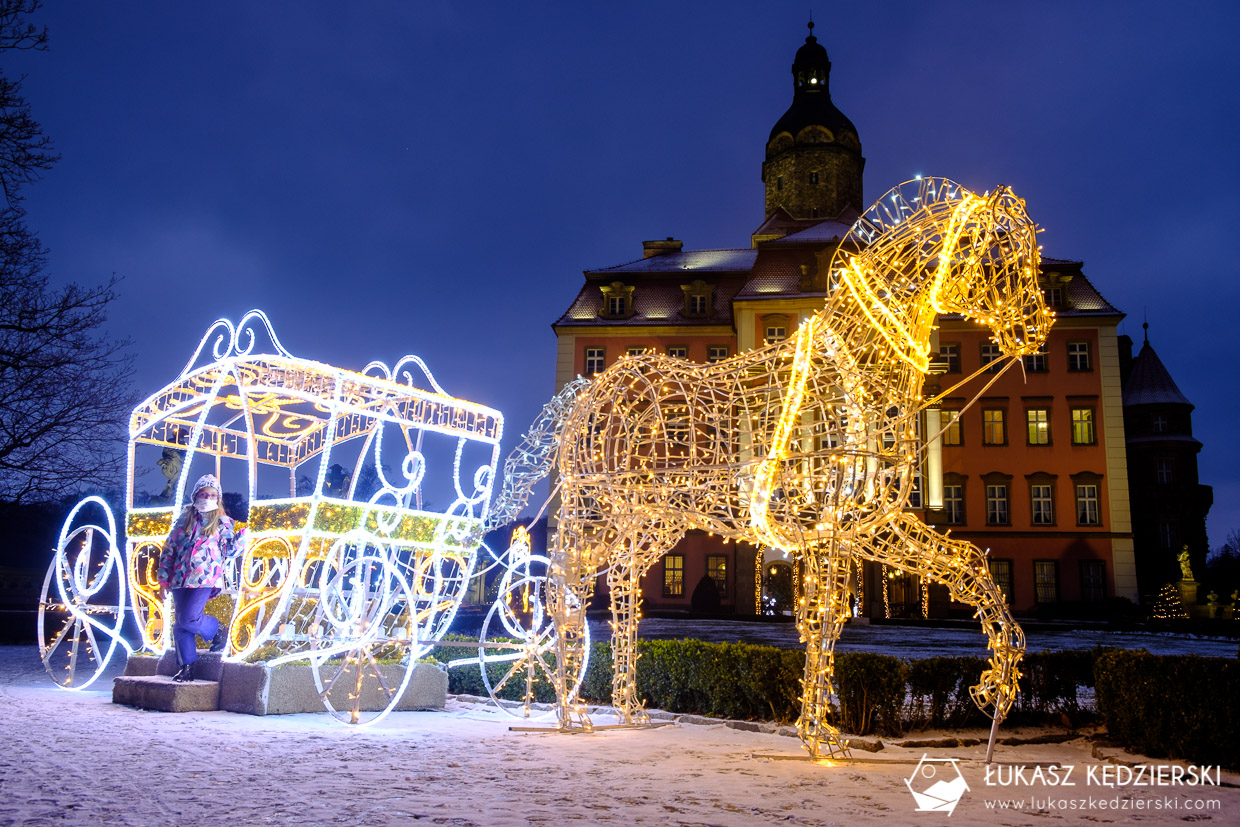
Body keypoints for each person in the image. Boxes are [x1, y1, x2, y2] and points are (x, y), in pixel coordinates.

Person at [156, 473, 246, 682]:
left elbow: (230, 551)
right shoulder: (183, 520)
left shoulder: (223, 523)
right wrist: (163, 579)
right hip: (179, 578)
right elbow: (169, 550)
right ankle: (186, 667)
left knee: (189, 618)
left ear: (218, 498)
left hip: (205, 578)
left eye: (212, 495)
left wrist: (243, 536)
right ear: (196, 495)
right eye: (204, 494)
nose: (207, 498)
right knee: (180, 623)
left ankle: (218, 630)